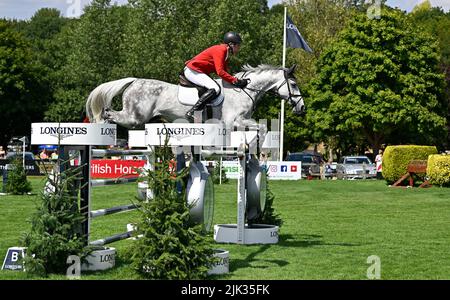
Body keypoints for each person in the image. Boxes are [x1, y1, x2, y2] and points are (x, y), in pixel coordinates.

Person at [183, 32, 250, 121]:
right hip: (193, 70)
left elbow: (226, 72)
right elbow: (220, 72)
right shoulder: (221, 50)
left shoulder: (225, 53)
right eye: (238, 45)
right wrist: (236, 81)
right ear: (231, 44)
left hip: (197, 71)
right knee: (215, 88)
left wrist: (236, 81)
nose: (239, 48)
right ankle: (192, 112)